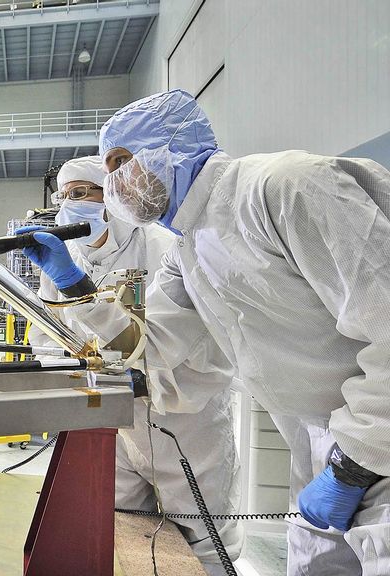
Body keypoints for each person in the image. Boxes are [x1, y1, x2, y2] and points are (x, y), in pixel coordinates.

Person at [85, 88, 389, 574]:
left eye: (120, 162)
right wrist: (73, 284)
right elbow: (150, 343)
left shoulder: (285, 188)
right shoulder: (188, 250)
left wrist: (354, 465)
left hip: (376, 437)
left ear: (170, 148)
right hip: (320, 446)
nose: (113, 184)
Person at [24, 155, 242, 575]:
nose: (71, 205)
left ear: (113, 195)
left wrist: (81, 295)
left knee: (203, 533)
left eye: (81, 193)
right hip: (112, 414)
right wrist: (67, 380)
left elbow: (156, 343)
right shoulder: (63, 257)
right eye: (64, 196)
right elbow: (44, 332)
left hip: (182, 412)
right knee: (121, 521)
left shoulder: (160, 245)